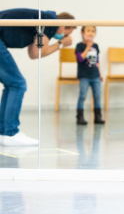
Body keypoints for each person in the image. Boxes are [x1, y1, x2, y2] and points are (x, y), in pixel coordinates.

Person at [0, 8, 75, 146]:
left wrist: (59, 43)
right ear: (63, 26)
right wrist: (61, 44)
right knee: (18, 84)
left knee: (12, 84)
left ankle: (4, 132)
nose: (63, 36)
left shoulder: (45, 20)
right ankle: (10, 133)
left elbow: (33, 52)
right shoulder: (52, 22)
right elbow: (36, 53)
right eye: (66, 33)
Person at [75, 26, 105, 125]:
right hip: (84, 76)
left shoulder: (96, 46)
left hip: (95, 76)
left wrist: (100, 74)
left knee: (97, 95)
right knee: (82, 96)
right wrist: (88, 47)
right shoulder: (80, 46)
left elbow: (97, 61)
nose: (90, 33)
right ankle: (80, 116)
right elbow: (80, 59)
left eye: (93, 31)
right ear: (82, 32)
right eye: (88, 31)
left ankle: (98, 116)